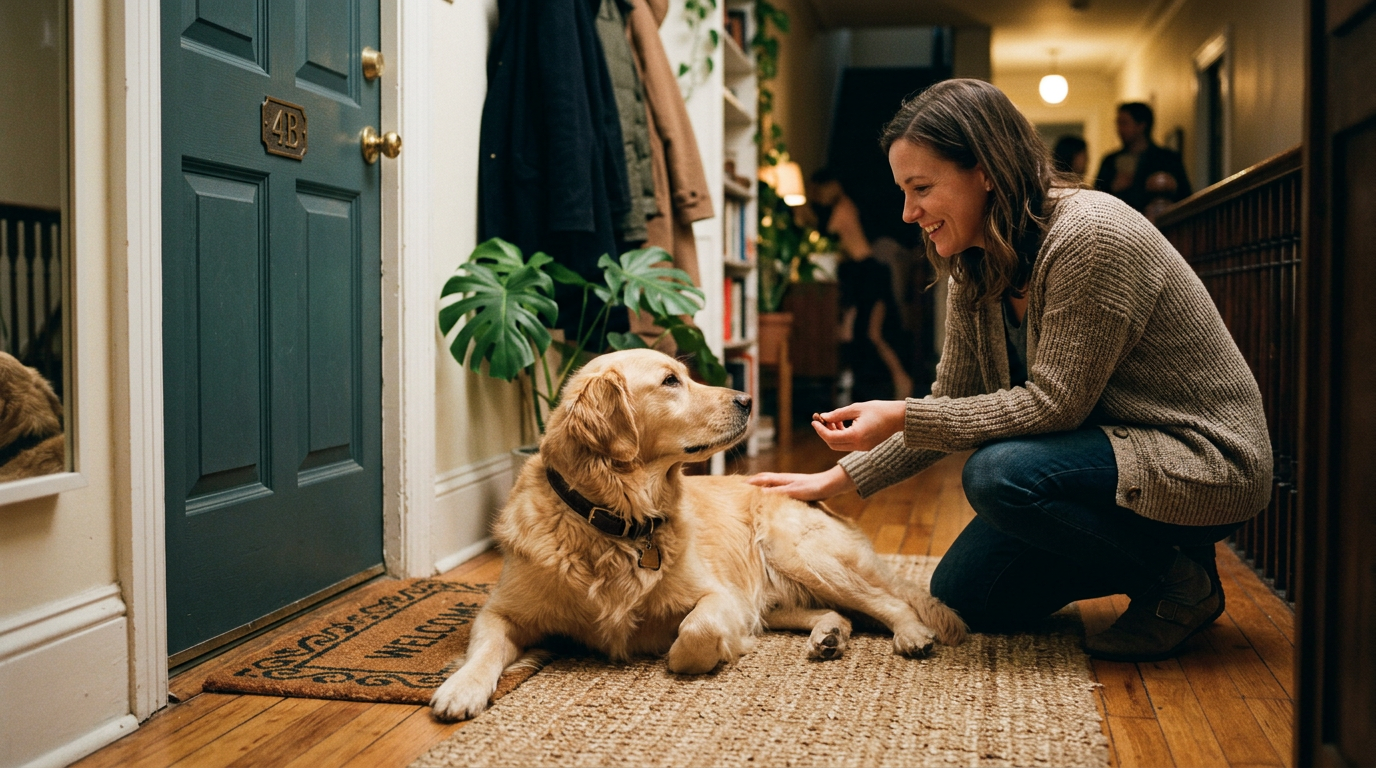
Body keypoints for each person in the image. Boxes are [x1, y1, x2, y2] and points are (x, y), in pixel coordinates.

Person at [748, 79, 1272, 662]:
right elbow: (949, 400)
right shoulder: (975, 264)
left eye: (921, 188)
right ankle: (1157, 551)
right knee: (965, 597)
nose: (907, 211)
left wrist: (899, 414)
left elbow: (1055, 406)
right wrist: (837, 479)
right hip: (1105, 459)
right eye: (903, 190)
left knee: (1000, 473)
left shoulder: (1090, 235)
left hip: (1202, 457)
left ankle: (1178, 580)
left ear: (987, 170)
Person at [810, 168, 913, 401]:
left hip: (866, 270)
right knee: (864, 335)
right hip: (858, 270)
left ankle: (901, 380)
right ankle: (876, 387)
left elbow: (829, 231)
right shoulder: (843, 207)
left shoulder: (842, 208)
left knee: (875, 334)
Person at [1093, 102, 1191, 214]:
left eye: (1124, 123)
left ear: (1141, 125)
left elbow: (1185, 197)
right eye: (1118, 124)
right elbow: (1096, 198)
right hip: (1120, 223)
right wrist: (1112, 187)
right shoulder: (1110, 160)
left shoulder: (1167, 158)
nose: (1119, 129)